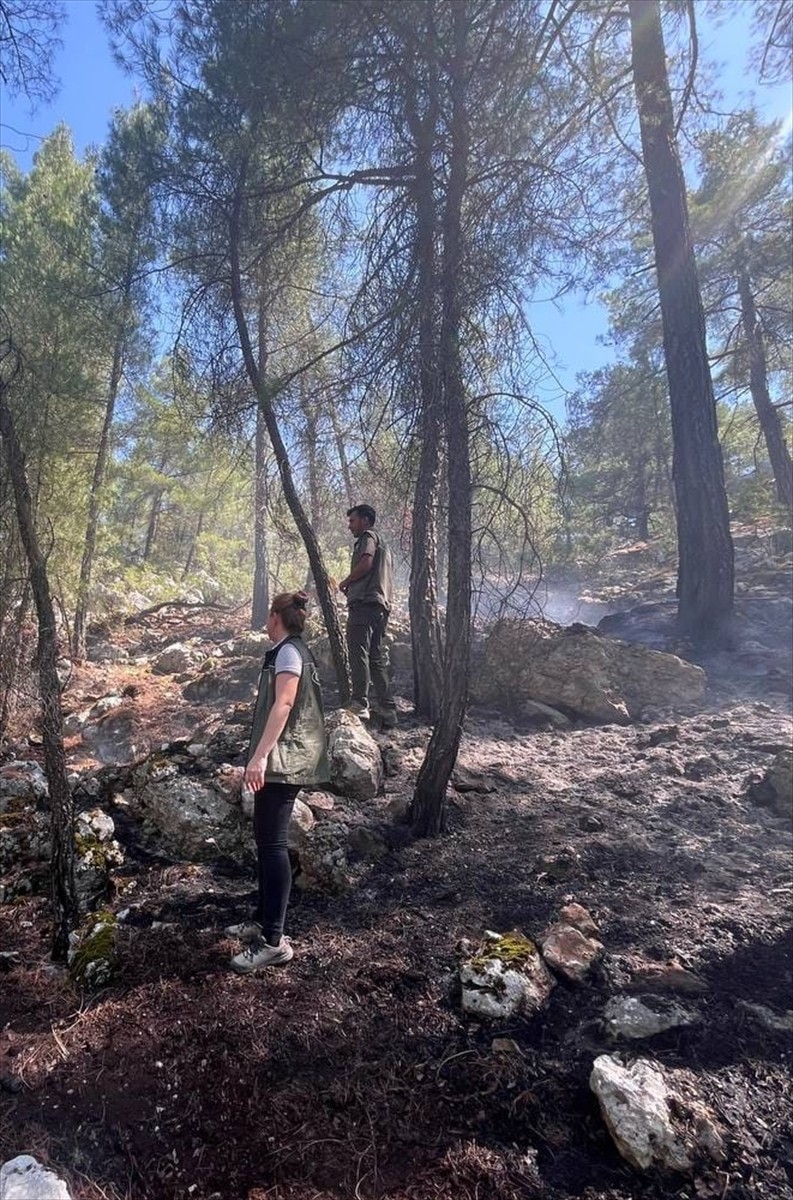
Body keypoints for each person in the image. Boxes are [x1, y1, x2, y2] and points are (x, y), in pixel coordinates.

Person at [226, 591, 329, 974]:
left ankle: (273, 941)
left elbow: (284, 705)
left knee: (273, 845)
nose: (266, 622)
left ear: (275, 617)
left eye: (269, 616)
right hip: (281, 757)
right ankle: (261, 920)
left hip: (284, 760)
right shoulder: (289, 650)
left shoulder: (288, 653)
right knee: (266, 840)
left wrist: (260, 757)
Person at [338, 503, 398, 729]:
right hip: (380, 606)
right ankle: (388, 709)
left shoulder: (368, 537)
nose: (349, 526)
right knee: (375, 657)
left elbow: (366, 562)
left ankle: (359, 703)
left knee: (358, 652)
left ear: (365, 520)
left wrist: (346, 582)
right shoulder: (385, 545)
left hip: (364, 604)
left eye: (352, 521)